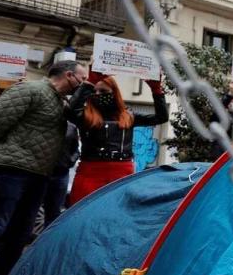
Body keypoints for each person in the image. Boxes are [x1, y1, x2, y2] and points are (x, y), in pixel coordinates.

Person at [0, 60, 88, 275]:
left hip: (39, 176)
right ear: (69, 75)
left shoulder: (62, 102)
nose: (84, 83)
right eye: (82, 79)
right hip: (10, 171)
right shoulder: (30, 90)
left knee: (20, 234)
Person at [66, 71, 168, 204]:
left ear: (114, 92)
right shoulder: (85, 116)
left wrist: (156, 90)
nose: (98, 95)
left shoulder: (128, 115)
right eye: (94, 91)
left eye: (103, 91)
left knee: (116, 212)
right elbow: (69, 111)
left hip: (121, 172)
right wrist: (88, 83)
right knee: (80, 211)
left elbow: (161, 117)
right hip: (90, 170)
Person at [44, 121, 79, 225]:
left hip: (61, 172)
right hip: (41, 172)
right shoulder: (42, 123)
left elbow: (75, 149)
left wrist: (69, 161)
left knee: (54, 212)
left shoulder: (71, 127)